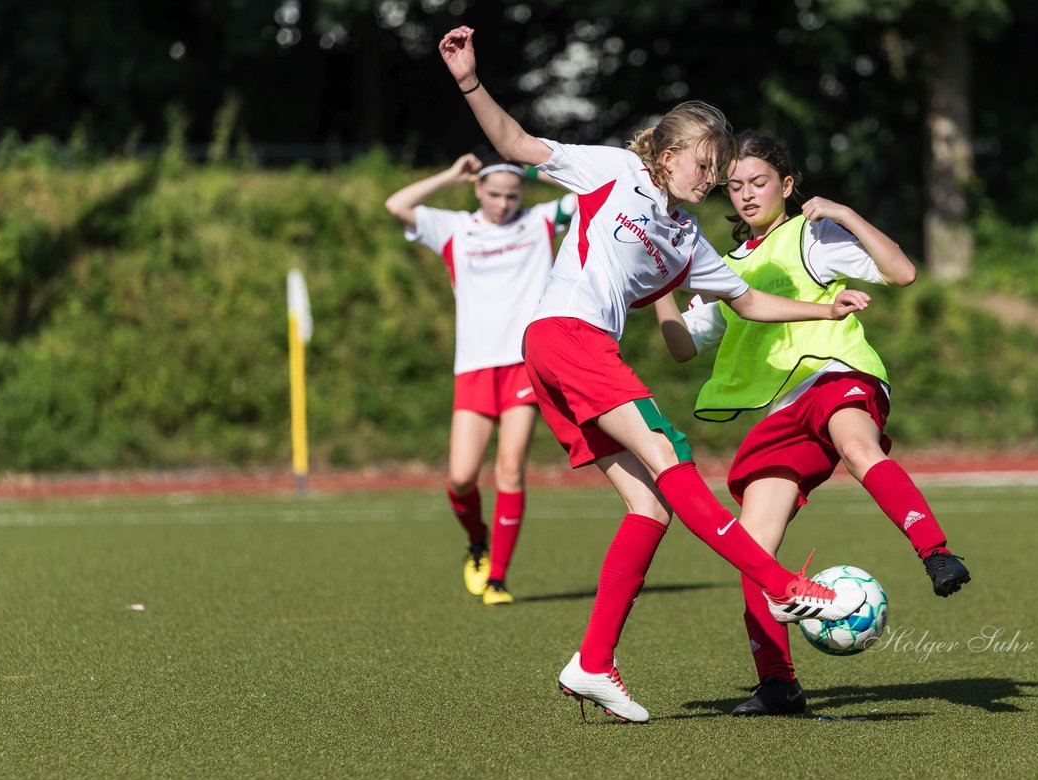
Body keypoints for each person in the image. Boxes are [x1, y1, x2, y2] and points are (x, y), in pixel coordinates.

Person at [439, 26, 870, 724]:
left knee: (650, 507)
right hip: (564, 336)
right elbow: (517, 144)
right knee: (668, 453)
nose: (714, 178)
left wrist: (822, 305)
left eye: (720, 166)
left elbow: (750, 301)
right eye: (704, 164)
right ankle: (788, 586)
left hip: (568, 356)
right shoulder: (614, 169)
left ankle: (593, 664)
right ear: (666, 157)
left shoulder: (688, 237)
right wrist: (468, 79)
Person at [653, 131, 972, 716]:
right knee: (753, 550)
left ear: (788, 185)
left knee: (856, 447)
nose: (747, 195)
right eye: (736, 185)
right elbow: (678, 348)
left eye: (759, 182)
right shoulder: (726, 268)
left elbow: (901, 273)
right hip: (783, 411)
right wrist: (660, 285)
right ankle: (778, 685)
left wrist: (845, 212)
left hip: (837, 376)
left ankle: (935, 552)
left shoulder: (813, 235)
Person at [385, 151, 576, 606]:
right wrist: (450, 174)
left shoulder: (540, 221)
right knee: (461, 477)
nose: (503, 203)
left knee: (509, 469)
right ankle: (477, 542)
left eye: (512, 195)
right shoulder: (456, 228)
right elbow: (397, 204)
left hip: (524, 362)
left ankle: (498, 579)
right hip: (473, 366)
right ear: (478, 190)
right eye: (494, 194)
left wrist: (532, 171)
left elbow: (591, 194)